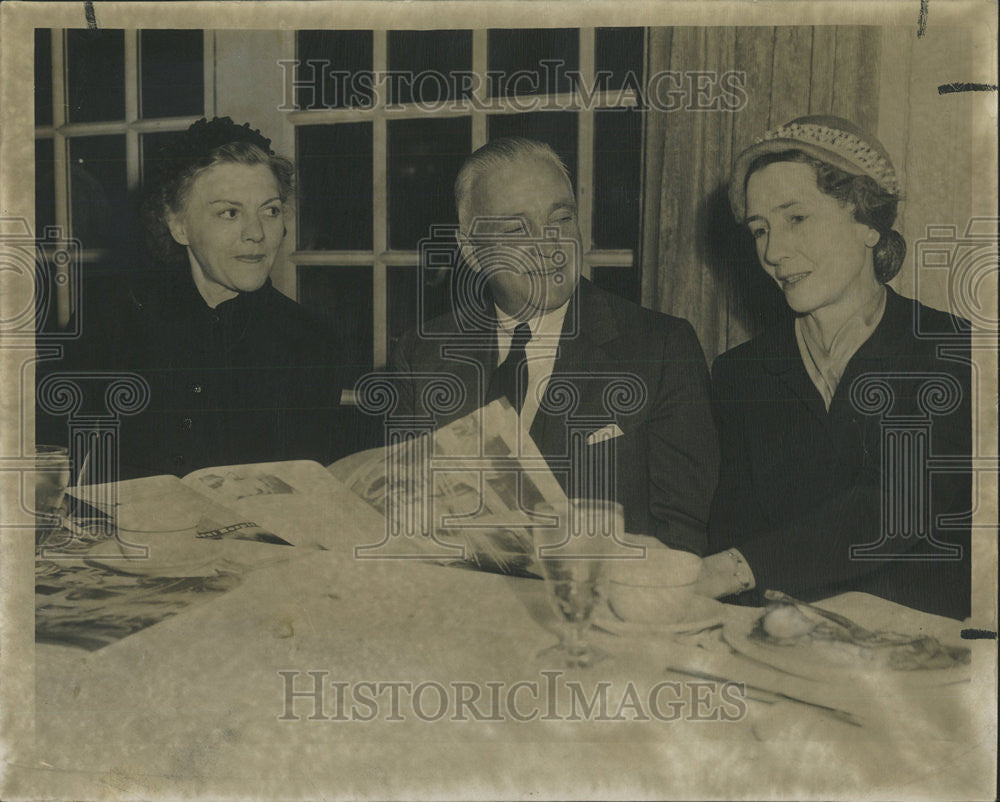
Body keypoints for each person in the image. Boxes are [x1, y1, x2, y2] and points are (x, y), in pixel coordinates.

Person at [386, 137, 719, 555]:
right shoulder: (423, 353)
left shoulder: (660, 349)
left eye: (560, 219)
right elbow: (403, 519)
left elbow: (686, 536)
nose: (549, 246)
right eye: (516, 228)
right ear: (471, 251)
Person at [699, 116, 971, 619]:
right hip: (782, 645)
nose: (774, 252)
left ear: (867, 222)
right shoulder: (741, 374)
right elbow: (733, 524)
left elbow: (895, 509)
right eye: (760, 230)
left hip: (917, 660)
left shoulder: (952, 351)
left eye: (796, 218)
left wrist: (728, 570)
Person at [38, 117, 367, 479]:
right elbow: (51, 456)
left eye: (270, 210)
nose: (256, 233)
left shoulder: (312, 343)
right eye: (230, 212)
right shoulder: (111, 315)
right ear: (179, 226)